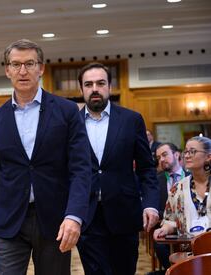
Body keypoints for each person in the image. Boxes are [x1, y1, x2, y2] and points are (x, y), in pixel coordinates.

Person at [0, 39, 92, 275]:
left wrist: (74, 215)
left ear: (41, 68)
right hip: (9, 221)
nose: (22, 71)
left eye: (29, 64)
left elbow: (81, 169)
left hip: (55, 220)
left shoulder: (67, 111)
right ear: (7, 70)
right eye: (15, 64)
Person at [76, 62, 159, 275]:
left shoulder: (131, 120)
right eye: (89, 84)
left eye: (100, 83)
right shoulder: (70, 123)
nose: (95, 88)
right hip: (87, 216)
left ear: (109, 87)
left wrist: (150, 204)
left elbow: (147, 169)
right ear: (81, 89)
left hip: (124, 215)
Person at [154, 136, 211, 240]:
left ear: (208, 156)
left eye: (192, 151)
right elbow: (170, 221)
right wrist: (165, 229)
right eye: (186, 152)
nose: (187, 156)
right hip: (189, 251)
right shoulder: (177, 188)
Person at [153, 142, 189, 272]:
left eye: (164, 155)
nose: (161, 160)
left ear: (177, 154)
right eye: (158, 158)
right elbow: (156, 208)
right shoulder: (156, 181)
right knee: (159, 245)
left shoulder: (191, 176)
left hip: (190, 224)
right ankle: (174, 271)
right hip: (166, 224)